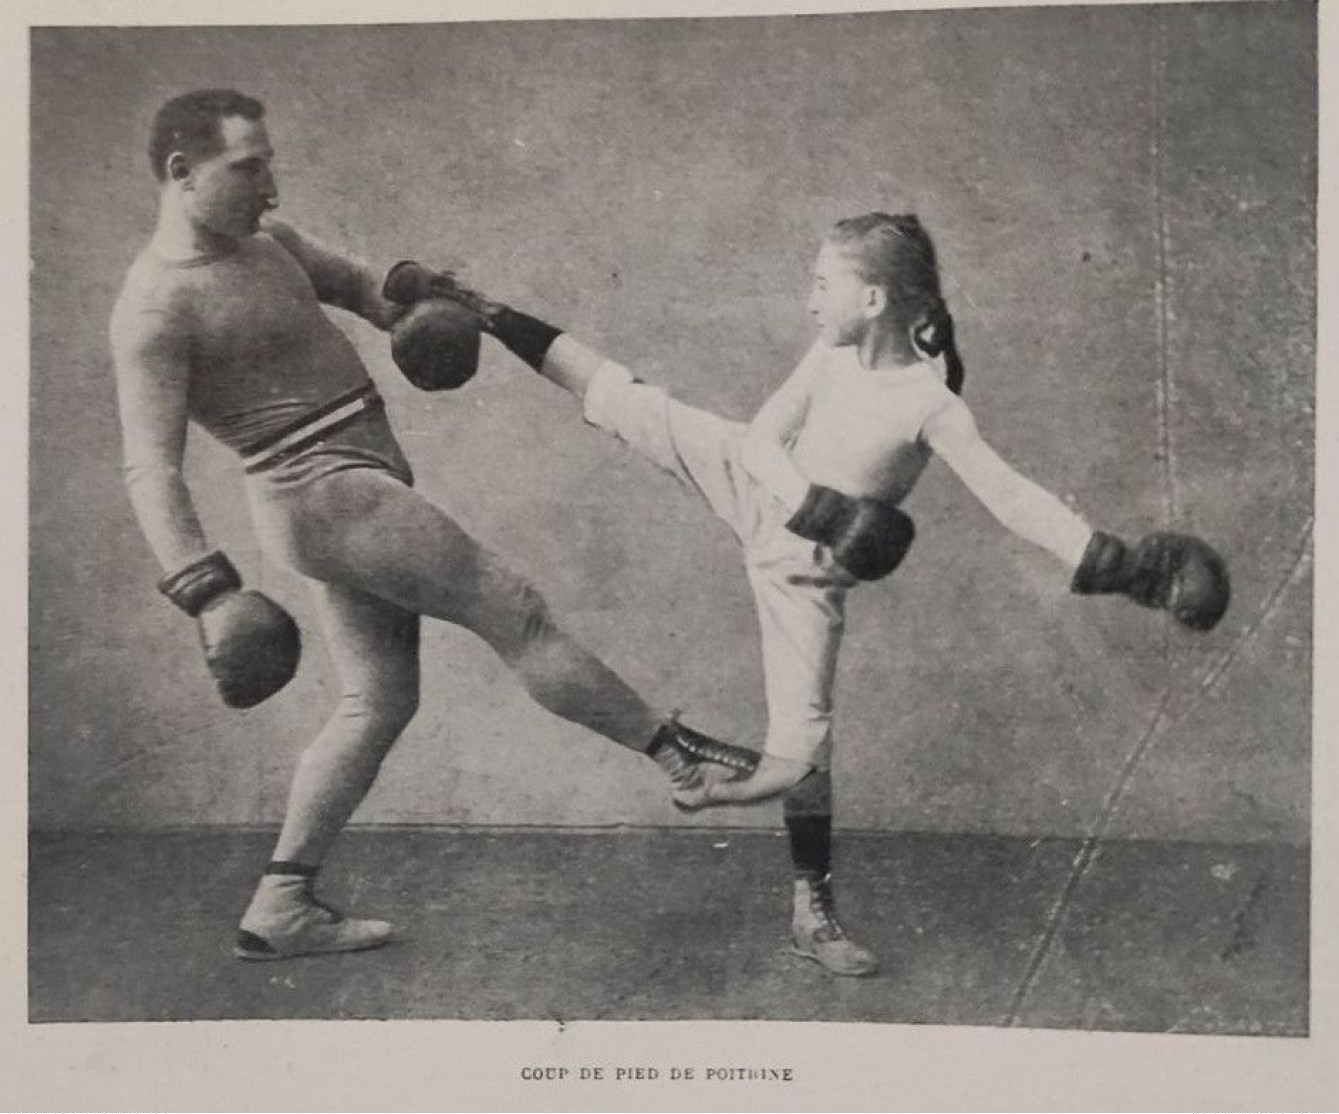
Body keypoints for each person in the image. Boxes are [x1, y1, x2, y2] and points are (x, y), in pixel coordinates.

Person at [387, 211, 1230, 977]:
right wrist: (815, 505)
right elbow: (758, 438)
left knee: (800, 754)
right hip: (760, 491)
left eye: (821, 285)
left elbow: (1008, 495)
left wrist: (1115, 564)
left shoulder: (929, 401)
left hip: (803, 572)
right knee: (620, 397)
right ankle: (475, 303)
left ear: (870, 297)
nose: (806, 300)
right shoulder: (831, 350)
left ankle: (807, 907)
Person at [108, 89, 794, 962]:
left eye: (268, 162)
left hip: (352, 478)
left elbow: (361, 286)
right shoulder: (153, 308)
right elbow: (148, 465)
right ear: (181, 172)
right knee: (514, 607)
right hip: (320, 491)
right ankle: (678, 755)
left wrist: (423, 306)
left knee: (377, 698)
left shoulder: (268, 243)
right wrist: (206, 591)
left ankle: (280, 903)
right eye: (248, 168)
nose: (270, 187)